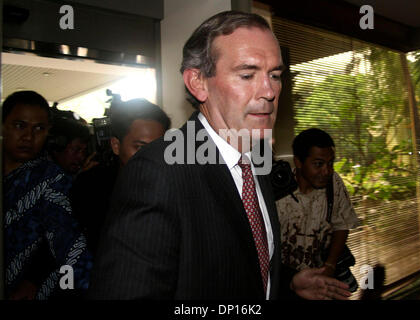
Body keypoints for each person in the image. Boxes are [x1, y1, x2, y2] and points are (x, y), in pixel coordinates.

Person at [88, 11, 350, 300]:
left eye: (275, 75)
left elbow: (234, 266)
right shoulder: (157, 172)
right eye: (247, 74)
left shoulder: (256, 160)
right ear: (198, 82)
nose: (269, 91)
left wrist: (286, 282)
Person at [2, 90, 92, 299]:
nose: (28, 136)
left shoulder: (52, 180)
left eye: (39, 129)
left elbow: (67, 241)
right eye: (19, 125)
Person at [71, 98, 171, 254]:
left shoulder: (175, 188)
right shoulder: (90, 188)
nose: (152, 157)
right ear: (116, 146)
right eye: (140, 147)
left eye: (158, 148)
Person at [276, 128, 359, 280]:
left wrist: (330, 265)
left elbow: (341, 224)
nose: (327, 171)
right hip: (284, 282)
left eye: (330, 163)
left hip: (320, 280)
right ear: (298, 162)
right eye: (318, 164)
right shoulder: (279, 191)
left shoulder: (333, 184)